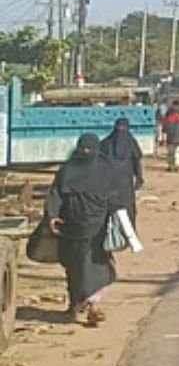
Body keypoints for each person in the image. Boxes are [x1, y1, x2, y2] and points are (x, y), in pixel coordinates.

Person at [45, 133, 127, 327]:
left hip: (98, 227)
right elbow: (55, 194)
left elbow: (117, 197)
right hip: (70, 226)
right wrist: (52, 215)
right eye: (83, 148)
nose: (86, 152)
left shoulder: (107, 170)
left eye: (90, 149)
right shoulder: (67, 170)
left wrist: (119, 220)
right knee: (74, 267)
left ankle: (93, 306)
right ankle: (75, 304)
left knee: (96, 266)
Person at [99, 118, 144, 225]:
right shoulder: (130, 142)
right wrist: (139, 178)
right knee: (126, 209)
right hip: (123, 183)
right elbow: (137, 160)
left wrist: (139, 177)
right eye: (120, 127)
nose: (121, 130)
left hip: (112, 183)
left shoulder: (105, 143)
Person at [162, 102, 179, 172]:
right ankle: (176, 166)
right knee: (177, 153)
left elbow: (164, 129)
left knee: (170, 153)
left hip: (170, 138)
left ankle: (171, 166)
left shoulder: (167, 119)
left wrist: (163, 139)